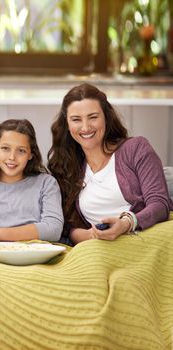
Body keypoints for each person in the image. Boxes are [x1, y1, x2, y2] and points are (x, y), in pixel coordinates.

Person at [47, 83, 173, 244]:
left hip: (146, 237)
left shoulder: (135, 149)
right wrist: (92, 236)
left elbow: (160, 203)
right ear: (67, 125)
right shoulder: (67, 168)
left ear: (106, 117)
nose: (85, 127)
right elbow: (68, 227)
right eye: (76, 119)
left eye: (93, 117)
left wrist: (127, 223)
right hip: (99, 248)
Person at [0, 118, 63, 256]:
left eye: (21, 151)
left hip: (38, 256)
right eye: (5, 148)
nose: (12, 157)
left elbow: (53, 229)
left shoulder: (46, 183)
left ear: (31, 155)